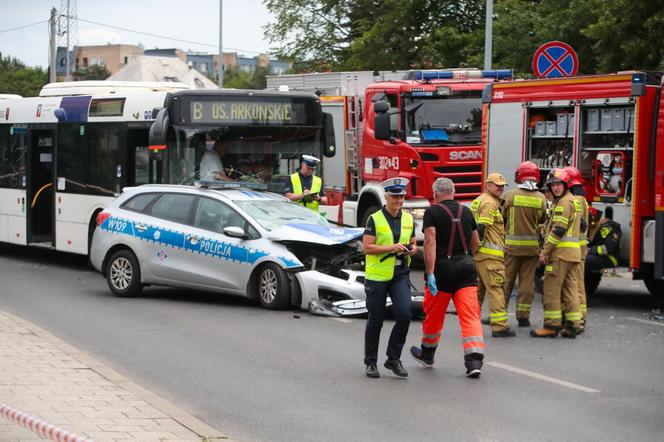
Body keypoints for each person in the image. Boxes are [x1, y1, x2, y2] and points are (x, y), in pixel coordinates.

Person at [409, 178, 485, 378]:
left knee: (434, 315)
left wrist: (431, 272)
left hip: (442, 270)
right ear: (454, 191)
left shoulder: (432, 212)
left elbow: (430, 243)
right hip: (467, 269)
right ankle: (474, 361)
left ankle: (427, 354)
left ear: (435, 194)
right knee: (470, 315)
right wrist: (468, 257)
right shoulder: (466, 212)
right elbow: (476, 242)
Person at [363, 177, 418, 378]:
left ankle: (393, 358)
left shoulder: (408, 218)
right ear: (386, 196)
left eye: (402, 196)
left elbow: (413, 242)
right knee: (375, 320)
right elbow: (367, 247)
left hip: (400, 273)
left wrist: (412, 250)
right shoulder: (374, 219)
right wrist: (391, 248)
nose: (399, 200)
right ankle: (370, 362)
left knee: (405, 314)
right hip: (378, 276)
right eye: (395, 196)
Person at [531, 168, 583, 339]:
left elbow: (558, 230)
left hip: (559, 255)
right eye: (552, 185)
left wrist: (545, 251)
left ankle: (551, 326)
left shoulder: (563, 204)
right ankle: (573, 325)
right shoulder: (574, 201)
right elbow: (582, 226)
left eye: (559, 184)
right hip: (573, 255)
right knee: (570, 290)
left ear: (566, 184)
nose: (555, 188)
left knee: (551, 289)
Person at [502, 161, 547, 327]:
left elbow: (501, 217)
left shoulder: (509, 195)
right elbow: (544, 221)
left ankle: (499, 315)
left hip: (511, 249)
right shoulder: (541, 198)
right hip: (532, 250)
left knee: (505, 282)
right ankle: (523, 316)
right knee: (527, 284)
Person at [470, 172, 515, 337]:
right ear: (487, 185)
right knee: (496, 289)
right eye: (497, 185)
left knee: (478, 291)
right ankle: (500, 326)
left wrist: (473, 251)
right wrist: (478, 247)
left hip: (480, 255)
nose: (500, 189)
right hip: (490, 256)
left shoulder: (480, 200)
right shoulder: (490, 203)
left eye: (502, 186)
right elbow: (482, 228)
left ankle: (471, 322)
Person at [564, 166, 590, 332]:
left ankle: (579, 319)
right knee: (576, 283)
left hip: (576, 248)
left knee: (576, 284)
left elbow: (581, 225)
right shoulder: (582, 199)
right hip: (579, 247)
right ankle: (579, 317)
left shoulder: (576, 200)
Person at [586, 206, 622, 272]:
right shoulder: (601, 229)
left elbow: (607, 249)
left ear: (595, 222)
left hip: (610, 258)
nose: (591, 229)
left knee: (584, 259)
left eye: (592, 227)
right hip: (601, 257)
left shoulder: (612, 228)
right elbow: (592, 244)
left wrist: (589, 250)